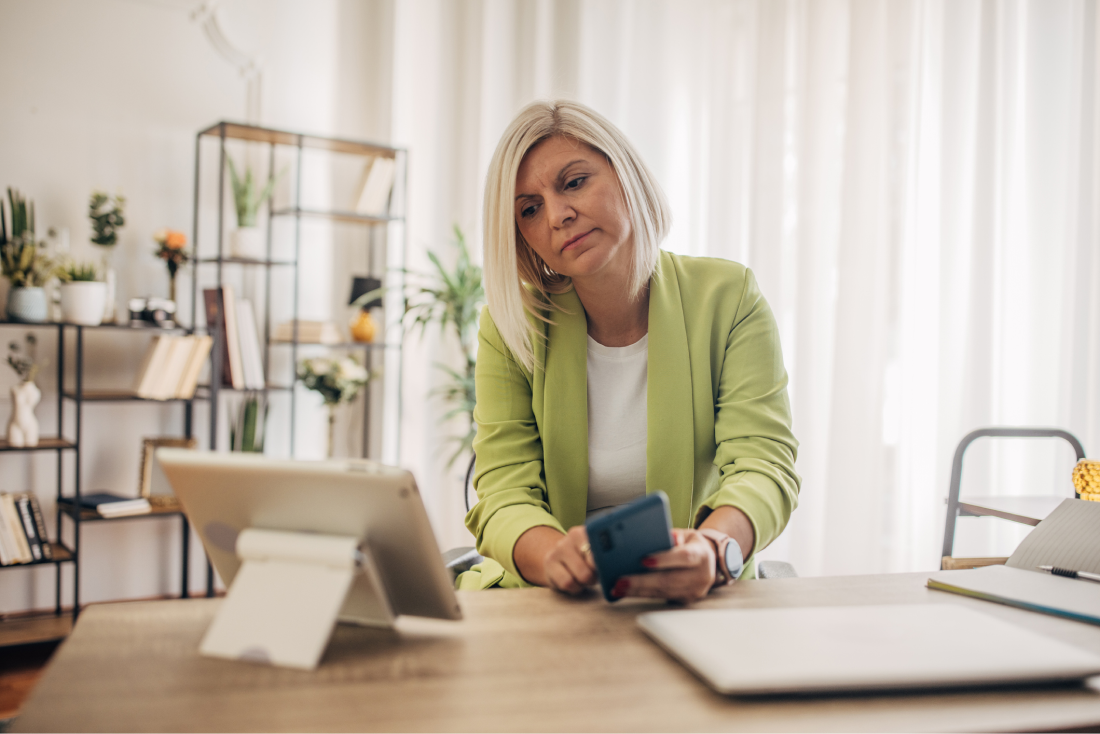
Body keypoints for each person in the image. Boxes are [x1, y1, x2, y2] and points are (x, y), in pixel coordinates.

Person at [459, 100, 800, 602]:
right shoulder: (511, 327)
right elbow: (505, 492)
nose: (557, 215)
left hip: (695, 595)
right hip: (553, 602)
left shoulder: (728, 297)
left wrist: (712, 548)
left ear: (626, 174)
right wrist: (556, 557)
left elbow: (763, 465)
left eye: (574, 182)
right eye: (529, 209)